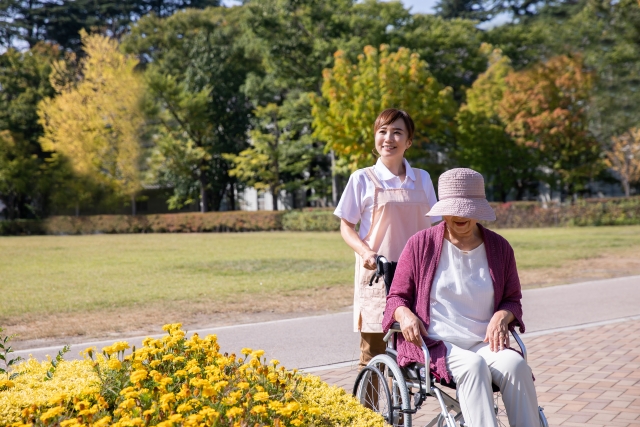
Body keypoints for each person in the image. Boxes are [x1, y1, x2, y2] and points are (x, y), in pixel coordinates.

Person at [382, 168, 540, 427]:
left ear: (479, 209)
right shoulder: (420, 244)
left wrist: (502, 316)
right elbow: (396, 297)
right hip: (437, 343)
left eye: (468, 207)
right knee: (472, 366)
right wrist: (405, 314)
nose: (460, 214)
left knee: (516, 366)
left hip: (485, 342)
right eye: (454, 207)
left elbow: (512, 299)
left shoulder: (500, 248)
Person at [334, 108, 440, 369]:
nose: (388, 138)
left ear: (409, 141)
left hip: (417, 275)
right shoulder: (362, 179)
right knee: (373, 355)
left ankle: (401, 409)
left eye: (397, 132)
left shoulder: (423, 179)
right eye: (382, 131)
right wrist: (365, 252)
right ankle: (366, 410)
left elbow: (436, 226)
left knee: (415, 351)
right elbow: (346, 226)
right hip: (379, 274)